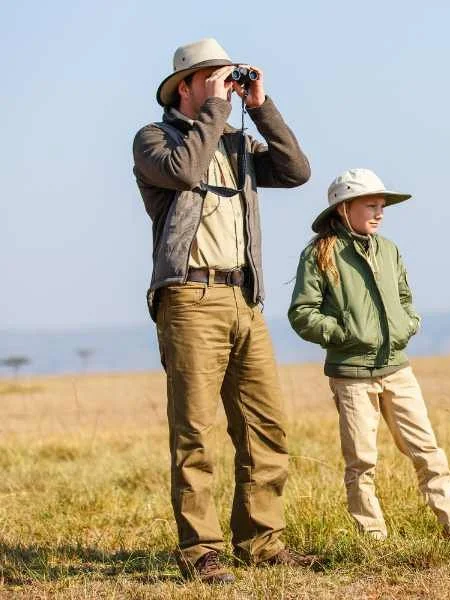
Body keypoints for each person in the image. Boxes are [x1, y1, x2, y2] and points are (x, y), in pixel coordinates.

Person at [132, 38, 312, 584]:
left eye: (224, 74)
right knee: (195, 429)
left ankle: (260, 540)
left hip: (243, 297)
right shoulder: (154, 139)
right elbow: (185, 172)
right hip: (189, 297)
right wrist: (215, 109)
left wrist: (260, 105)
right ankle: (200, 550)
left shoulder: (236, 141)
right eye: (209, 76)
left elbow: (296, 170)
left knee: (266, 425)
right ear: (184, 86)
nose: (221, 83)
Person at [287, 168, 450, 541]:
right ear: (344, 209)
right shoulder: (319, 254)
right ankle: (372, 534)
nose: (380, 212)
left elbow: (405, 298)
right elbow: (302, 312)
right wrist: (344, 334)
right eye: (371, 205)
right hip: (351, 374)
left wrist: (409, 324)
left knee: (425, 446)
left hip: (397, 369)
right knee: (361, 459)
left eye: (382, 205)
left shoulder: (389, 250)